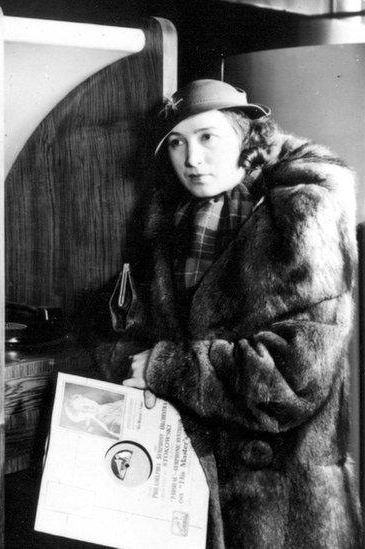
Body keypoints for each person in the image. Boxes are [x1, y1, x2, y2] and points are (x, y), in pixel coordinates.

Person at [99, 79, 362, 548]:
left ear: (248, 136)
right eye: (176, 143)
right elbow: (138, 334)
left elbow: (291, 380)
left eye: (207, 137)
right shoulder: (175, 219)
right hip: (185, 493)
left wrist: (168, 367)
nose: (191, 159)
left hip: (284, 509)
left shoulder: (305, 213)